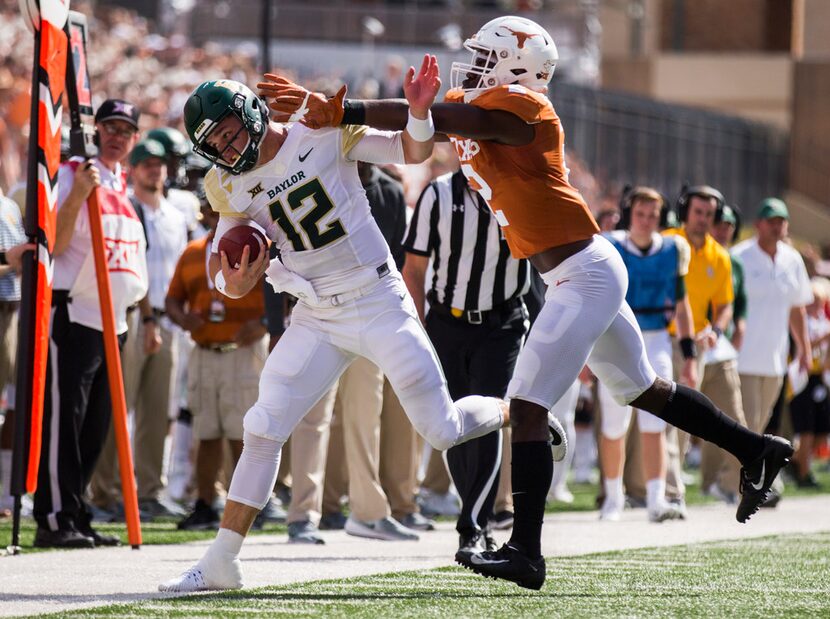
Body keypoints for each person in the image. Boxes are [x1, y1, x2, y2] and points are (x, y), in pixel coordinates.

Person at [260, 15, 797, 590]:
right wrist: (323, 114)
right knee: (641, 388)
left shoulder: (529, 110)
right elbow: (426, 126)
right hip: (577, 273)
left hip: (582, 273)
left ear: (517, 66)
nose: (475, 66)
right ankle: (756, 449)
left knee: (527, 401)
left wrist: (344, 108)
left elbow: (457, 119)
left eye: (487, 56)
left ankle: (526, 551)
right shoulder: (478, 104)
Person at [160, 59, 520, 592]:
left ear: (252, 114)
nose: (229, 148)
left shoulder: (320, 128)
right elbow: (222, 267)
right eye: (217, 142)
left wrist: (418, 112)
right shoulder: (225, 184)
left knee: (440, 428)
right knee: (262, 426)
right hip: (317, 313)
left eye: (231, 132)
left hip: (377, 298)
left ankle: (518, 411)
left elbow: (413, 151)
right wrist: (235, 282)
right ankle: (221, 560)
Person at [33, 99, 148, 548]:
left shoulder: (122, 182)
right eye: (111, 127)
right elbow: (55, 245)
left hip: (114, 319)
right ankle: (55, 516)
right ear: (96, 129)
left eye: (126, 129)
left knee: (96, 424)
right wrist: (79, 193)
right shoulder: (72, 174)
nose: (118, 136)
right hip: (75, 311)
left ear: (134, 138)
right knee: (66, 419)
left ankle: (77, 513)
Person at [402, 168, 535, 556]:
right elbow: (414, 267)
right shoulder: (438, 193)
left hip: (502, 321)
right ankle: (472, 512)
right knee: (453, 422)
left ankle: (474, 523)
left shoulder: (519, 188)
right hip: (447, 321)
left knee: (489, 415)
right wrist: (420, 325)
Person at [89, 139, 189, 521]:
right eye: (146, 163)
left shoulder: (176, 215)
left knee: (156, 412)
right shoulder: (126, 207)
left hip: (168, 317)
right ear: (134, 169)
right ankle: (106, 491)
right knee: (119, 406)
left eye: (159, 163)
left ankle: (149, 490)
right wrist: (147, 319)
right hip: (134, 314)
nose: (154, 169)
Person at [165, 199, 269, 531]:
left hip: (242, 352)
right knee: (206, 432)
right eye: (211, 211)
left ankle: (250, 505)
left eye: (222, 211)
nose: (217, 217)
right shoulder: (193, 251)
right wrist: (183, 319)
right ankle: (205, 503)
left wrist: (264, 323)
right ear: (204, 214)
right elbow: (172, 299)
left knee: (244, 434)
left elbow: (282, 294)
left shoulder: (256, 247)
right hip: (205, 350)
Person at [598, 187, 694, 523]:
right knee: (613, 422)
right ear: (629, 214)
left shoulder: (672, 248)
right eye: (641, 213)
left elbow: (682, 304)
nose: (646, 221)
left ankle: (655, 498)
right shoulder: (609, 245)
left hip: (655, 338)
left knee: (655, 420)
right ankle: (613, 498)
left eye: (653, 215)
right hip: (616, 336)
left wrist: (690, 353)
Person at [732, 198, 813, 505]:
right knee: (750, 424)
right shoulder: (739, 256)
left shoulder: (793, 260)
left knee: (764, 424)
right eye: (771, 220)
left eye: (782, 220)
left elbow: (797, 309)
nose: (777, 225)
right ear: (759, 224)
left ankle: (754, 481)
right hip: (743, 357)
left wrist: (803, 348)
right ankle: (751, 484)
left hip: (776, 359)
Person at [0, 195, 34, 518]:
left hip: (12, 314)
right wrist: (10, 260)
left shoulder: (9, 206)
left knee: (10, 407)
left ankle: (8, 494)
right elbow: (10, 259)